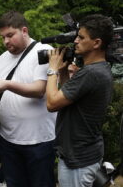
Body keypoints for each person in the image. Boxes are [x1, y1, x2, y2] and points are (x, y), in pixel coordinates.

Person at [0, 11, 57, 187]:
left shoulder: (43, 52)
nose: (6, 41)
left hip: (38, 141)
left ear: (24, 31)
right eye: (3, 37)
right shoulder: (2, 58)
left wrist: (8, 84)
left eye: (10, 35)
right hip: (7, 139)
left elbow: (39, 90)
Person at [46, 14, 114, 187]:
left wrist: (52, 70)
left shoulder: (90, 73)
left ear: (96, 43)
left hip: (78, 161)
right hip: (84, 155)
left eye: (81, 37)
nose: (75, 40)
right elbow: (69, 98)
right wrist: (62, 72)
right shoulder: (99, 69)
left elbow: (52, 103)